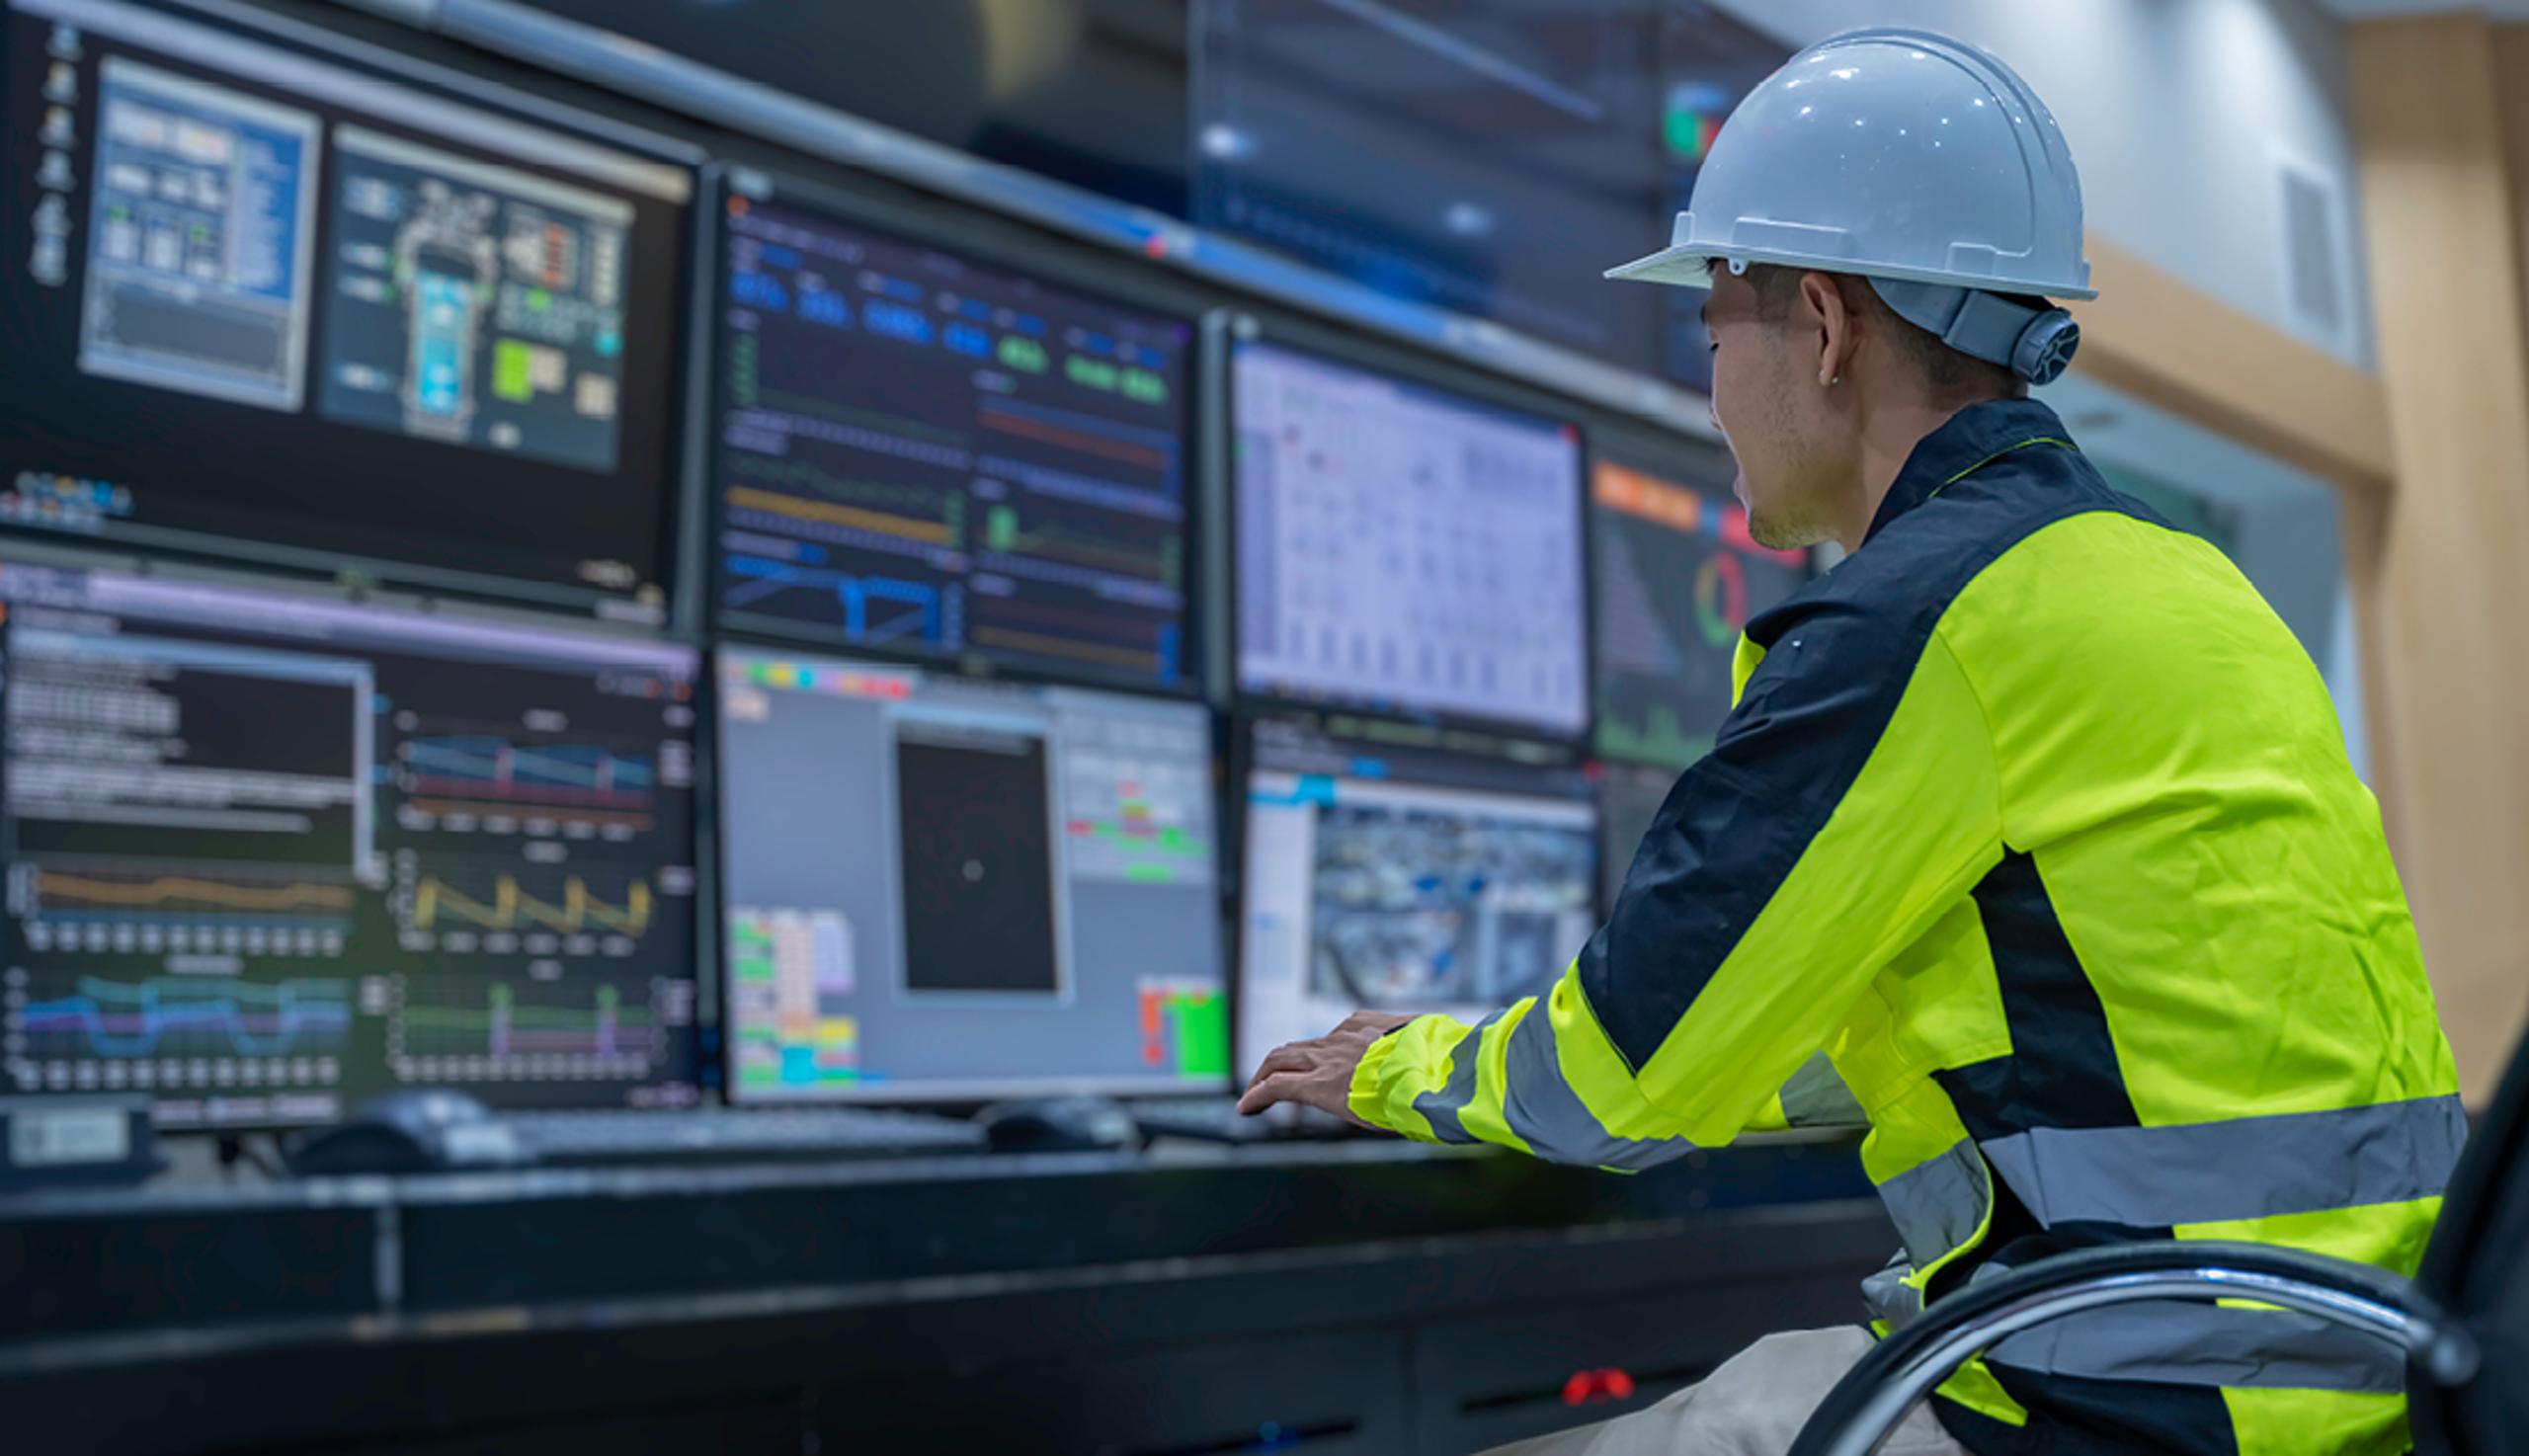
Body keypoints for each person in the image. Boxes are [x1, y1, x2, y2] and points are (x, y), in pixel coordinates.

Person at [1238, 27, 2461, 1456]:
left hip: (2129, 1398)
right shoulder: (2186, 583)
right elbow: (2062, 1020)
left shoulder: (1918, 616)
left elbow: (1622, 1075)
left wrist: (1402, 1066)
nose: (1711, 392)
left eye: (1712, 330)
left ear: (1820, 323)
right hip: (2362, 1380)